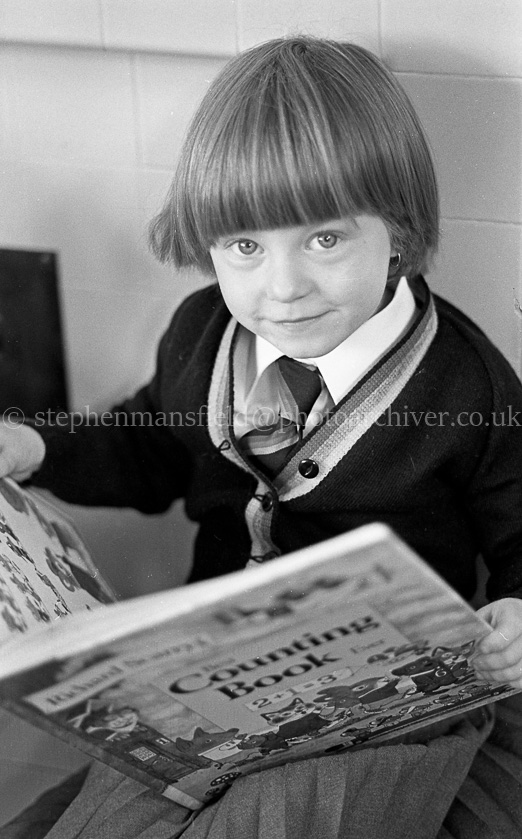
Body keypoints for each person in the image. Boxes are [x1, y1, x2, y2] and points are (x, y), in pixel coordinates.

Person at [1, 36, 521, 839]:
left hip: (387, 709)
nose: (282, 288)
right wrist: (39, 449)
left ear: (400, 230)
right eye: (245, 246)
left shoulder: (468, 389)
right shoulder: (202, 331)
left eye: (325, 239)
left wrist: (516, 614)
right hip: (203, 695)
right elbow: (148, 450)